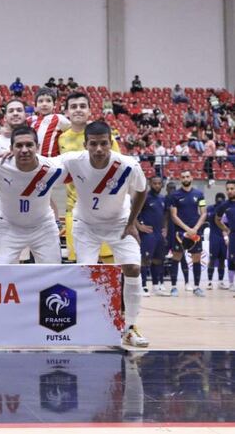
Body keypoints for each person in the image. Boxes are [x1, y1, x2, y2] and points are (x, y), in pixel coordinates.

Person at [57, 121, 148, 347]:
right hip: (86, 225)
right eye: (94, 144)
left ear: (111, 143)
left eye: (104, 144)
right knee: (86, 274)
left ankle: (130, 327)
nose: (99, 149)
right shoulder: (72, 160)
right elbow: (42, 164)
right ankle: (87, 326)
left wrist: (131, 222)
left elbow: (142, 189)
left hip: (119, 223)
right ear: (86, 144)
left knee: (133, 268)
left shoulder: (128, 164)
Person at [0, 126, 65, 264]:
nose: (24, 150)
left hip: (43, 227)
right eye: (19, 145)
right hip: (9, 227)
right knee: (3, 273)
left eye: (29, 145)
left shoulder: (53, 168)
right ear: (11, 148)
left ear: (37, 147)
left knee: (53, 273)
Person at [58, 92, 120, 262]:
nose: (78, 110)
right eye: (73, 106)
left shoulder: (105, 136)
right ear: (67, 112)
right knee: (81, 266)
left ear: (90, 111)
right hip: (75, 209)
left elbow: (119, 169)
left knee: (110, 263)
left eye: (82, 106)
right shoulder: (61, 138)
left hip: (105, 210)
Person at [167, 170, 207, 297]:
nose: (185, 178)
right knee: (176, 257)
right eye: (183, 176)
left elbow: (204, 213)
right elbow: (173, 216)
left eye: (187, 176)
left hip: (196, 231)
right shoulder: (175, 195)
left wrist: (195, 228)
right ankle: (174, 287)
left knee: (196, 258)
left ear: (192, 177)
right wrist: (187, 229)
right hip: (180, 232)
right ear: (180, 179)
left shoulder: (199, 194)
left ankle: (196, 287)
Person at [137, 176, 170, 297]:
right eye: (154, 183)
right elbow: (133, 212)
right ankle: (143, 286)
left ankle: (156, 286)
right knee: (145, 260)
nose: (157, 185)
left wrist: (165, 228)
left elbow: (166, 214)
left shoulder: (162, 198)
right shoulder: (144, 197)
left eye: (159, 183)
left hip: (159, 234)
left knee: (158, 260)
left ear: (162, 185)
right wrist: (140, 226)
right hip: (147, 234)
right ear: (150, 184)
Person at [27, 87, 71, 158]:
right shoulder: (30, 120)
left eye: (48, 101)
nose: (44, 104)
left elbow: (74, 129)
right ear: (35, 106)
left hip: (52, 162)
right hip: (34, 162)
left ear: (54, 105)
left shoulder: (59, 118)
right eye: (40, 101)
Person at [215, 181, 235, 291]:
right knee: (232, 260)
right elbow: (217, 220)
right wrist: (226, 229)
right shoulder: (224, 206)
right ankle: (232, 283)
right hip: (233, 235)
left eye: (232, 188)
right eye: (228, 189)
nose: (230, 191)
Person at [206, 192, 228, 290]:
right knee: (212, 259)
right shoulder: (210, 208)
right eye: (218, 200)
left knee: (222, 260)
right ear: (215, 200)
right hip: (214, 237)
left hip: (224, 237)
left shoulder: (227, 209)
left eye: (221, 201)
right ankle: (209, 282)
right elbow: (206, 217)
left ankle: (220, 282)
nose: (219, 202)